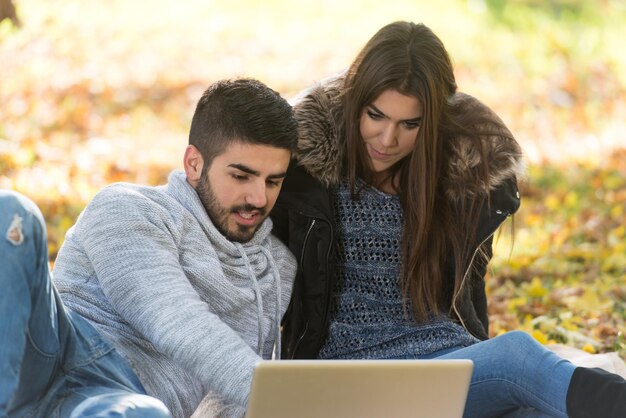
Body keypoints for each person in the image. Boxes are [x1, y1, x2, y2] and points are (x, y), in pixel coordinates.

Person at [270, 21, 626, 417]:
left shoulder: (453, 183)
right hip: (354, 378)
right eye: (376, 116)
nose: (388, 139)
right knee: (517, 356)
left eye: (410, 124)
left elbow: (467, 297)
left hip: (447, 365)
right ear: (354, 101)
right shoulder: (306, 177)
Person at [1, 78, 298, 418]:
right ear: (194, 164)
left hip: (123, 402)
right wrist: (290, 406)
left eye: (273, 181)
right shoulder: (128, 208)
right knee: (11, 215)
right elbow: (176, 321)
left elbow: (231, 402)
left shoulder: (276, 269)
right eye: (241, 176)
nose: (258, 198)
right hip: (54, 348)